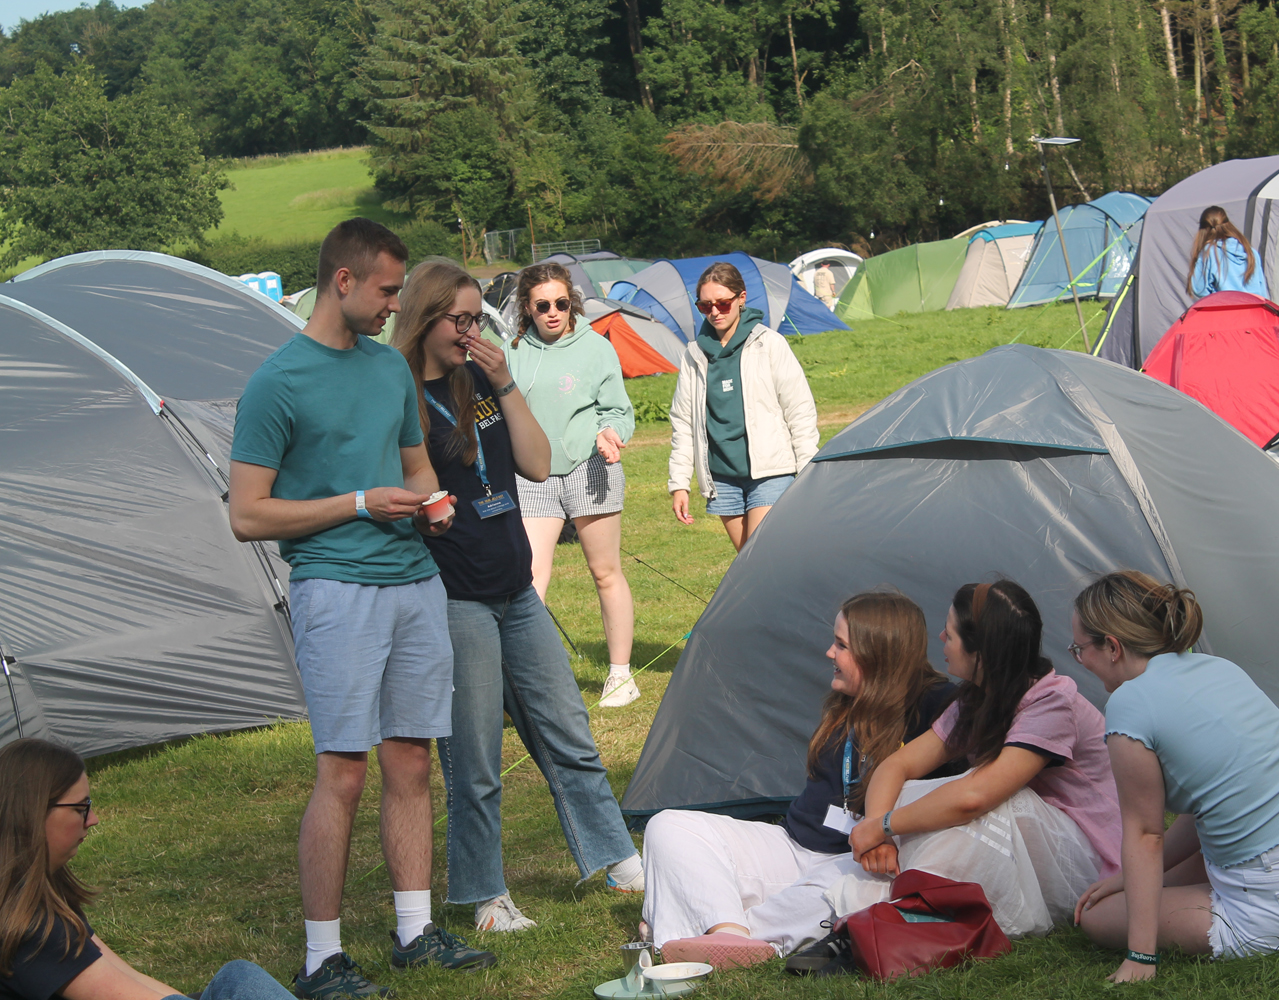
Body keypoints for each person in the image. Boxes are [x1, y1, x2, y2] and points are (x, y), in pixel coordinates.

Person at [228, 219, 493, 1000]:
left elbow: (414, 467)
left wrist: (431, 507)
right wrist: (355, 503)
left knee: (411, 760)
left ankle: (415, 934)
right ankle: (321, 959)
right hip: (335, 589)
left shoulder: (387, 371)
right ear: (342, 281)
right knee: (342, 772)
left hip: (414, 582)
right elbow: (247, 514)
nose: (395, 306)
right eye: (385, 290)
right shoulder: (277, 382)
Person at [389, 258, 648, 932]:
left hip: (515, 588)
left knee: (569, 731)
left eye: (478, 319)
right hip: (455, 595)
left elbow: (536, 464)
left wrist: (504, 383)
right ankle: (485, 896)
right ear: (425, 318)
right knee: (475, 759)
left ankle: (615, 857)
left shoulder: (482, 378)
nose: (471, 332)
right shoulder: (399, 395)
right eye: (459, 320)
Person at [1070, 571, 1279, 982]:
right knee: (1142, 885)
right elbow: (1212, 799)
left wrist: (1140, 957)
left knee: (1098, 915)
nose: (1080, 661)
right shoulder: (1217, 667)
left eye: (1079, 649)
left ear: (1112, 647)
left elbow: (1145, 835)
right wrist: (1126, 880)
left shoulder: (1129, 704)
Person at [640, 590, 960, 968]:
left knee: (854, 891)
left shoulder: (937, 705)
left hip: (857, 863)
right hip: (792, 845)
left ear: (877, 653)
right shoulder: (849, 700)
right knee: (668, 826)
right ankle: (729, 934)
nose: (829, 653)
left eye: (841, 645)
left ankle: (700, 923)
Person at [844, 581, 1121, 940]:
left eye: (950, 634)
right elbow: (897, 765)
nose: (941, 637)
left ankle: (914, 904)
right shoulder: (978, 698)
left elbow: (977, 796)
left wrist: (884, 825)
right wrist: (877, 829)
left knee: (1000, 802)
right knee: (912, 793)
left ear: (981, 651)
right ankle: (908, 899)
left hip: (1093, 858)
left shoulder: (1052, 701)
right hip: (1038, 843)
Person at [0, 738, 297, 1000]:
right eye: (81, 808)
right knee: (238, 981)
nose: (93, 819)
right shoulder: (30, 926)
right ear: (34, 813)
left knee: (237, 979)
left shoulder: (38, 897)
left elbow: (126, 977)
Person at [504, 262, 640, 708]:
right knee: (529, 579)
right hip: (534, 474)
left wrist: (610, 433)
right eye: (542, 305)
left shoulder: (596, 347)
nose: (553, 313)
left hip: (591, 467)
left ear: (572, 304)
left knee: (605, 571)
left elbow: (618, 409)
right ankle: (531, 683)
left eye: (561, 303)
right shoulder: (512, 352)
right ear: (527, 307)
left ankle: (620, 675)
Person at [668, 262, 818, 552]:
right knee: (748, 562)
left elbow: (799, 410)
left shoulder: (769, 344)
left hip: (771, 472)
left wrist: (807, 470)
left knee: (760, 556)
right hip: (722, 478)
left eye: (723, 303)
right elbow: (684, 424)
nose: (715, 312)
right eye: (705, 306)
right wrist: (679, 484)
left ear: (741, 298)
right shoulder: (694, 354)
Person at [1186, 206, 1268, 298]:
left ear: (1202, 230)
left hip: (1225, 305)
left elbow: (1199, 289)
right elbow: (1262, 290)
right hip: (1254, 305)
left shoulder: (1209, 252)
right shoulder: (1250, 251)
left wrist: (1215, 296)